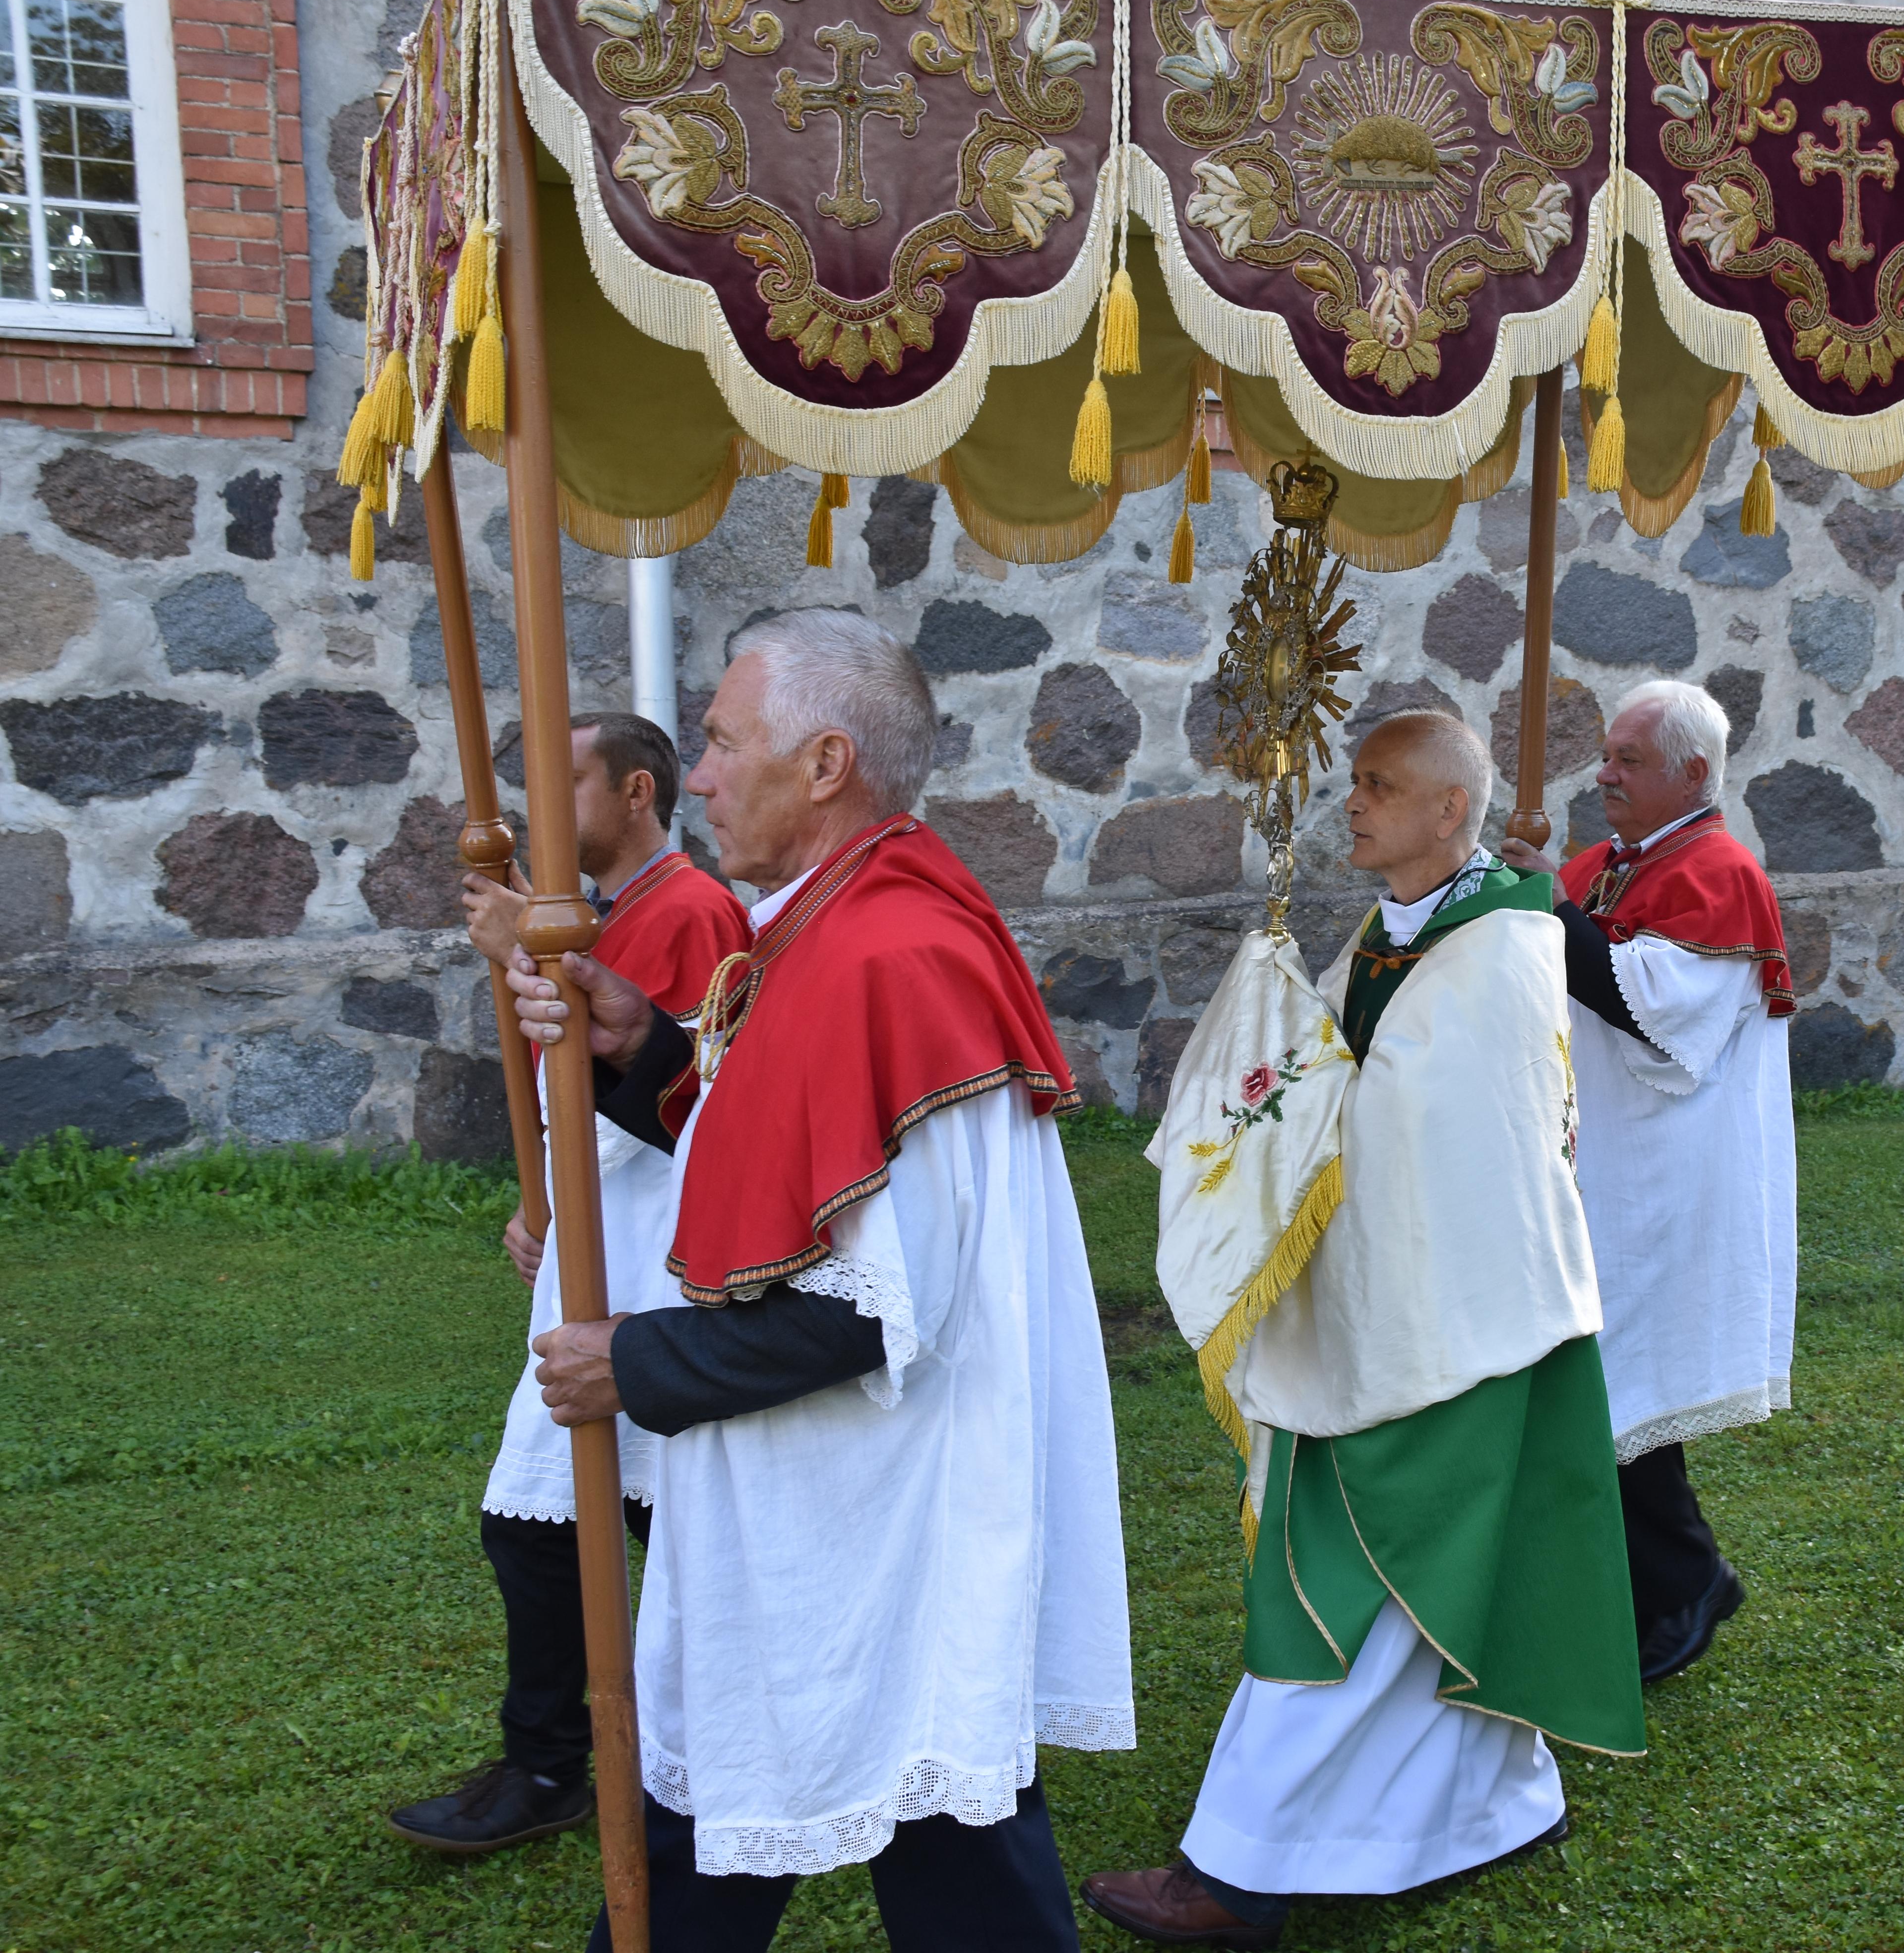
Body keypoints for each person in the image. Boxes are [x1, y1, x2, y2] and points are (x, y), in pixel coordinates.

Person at [501, 611, 1132, 1950]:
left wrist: (638, 1362)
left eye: (725, 742)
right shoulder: (834, 934)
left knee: (920, 1821)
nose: (705, 774)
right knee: (894, 1822)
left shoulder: (891, 961)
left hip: (880, 1506)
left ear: (828, 760)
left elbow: (878, 1299)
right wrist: (646, 1049)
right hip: (837, 1502)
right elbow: (787, 1168)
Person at [1081, 711, 1642, 1953]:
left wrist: (1280, 1097)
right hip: (1418, 1310)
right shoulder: (1396, 936)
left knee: (1343, 1582)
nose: (1356, 804)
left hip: (1455, 1324)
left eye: (1381, 788)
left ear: (1451, 810)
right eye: (1356, 786)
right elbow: (1331, 1070)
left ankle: (1237, 1868)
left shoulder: (1500, 946)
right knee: (1442, 1583)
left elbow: (1427, 1127)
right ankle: (1496, 1807)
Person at [387, 711, 749, 1857]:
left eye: (567, 785)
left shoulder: (687, 908)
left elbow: (682, 1095)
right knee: (611, 1512)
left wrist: (517, 949)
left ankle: (560, 1760)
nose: (545, 816)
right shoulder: (607, 914)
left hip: (648, 1250)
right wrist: (541, 1201)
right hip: (601, 1239)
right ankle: (603, 1748)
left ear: (636, 791)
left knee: (562, 1518)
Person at [1497, 680, 1794, 1682]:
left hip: (1668, 1170)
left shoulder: (1719, 873)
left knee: (1620, 1378)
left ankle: (1683, 1584)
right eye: (1607, 753)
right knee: (1590, 1377)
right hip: (1599, 1158)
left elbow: (1652, 1011)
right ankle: (1645, 1584)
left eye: (1628, 758)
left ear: (1694, 774)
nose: (1603, 772)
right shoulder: (1604, 865)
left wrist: (1548, 904)